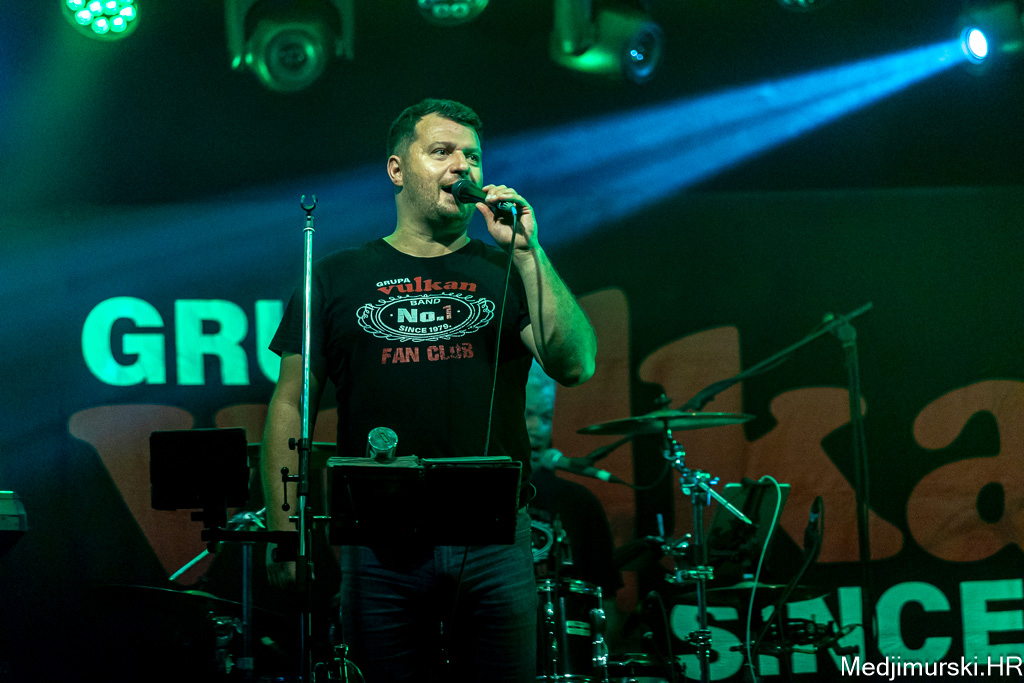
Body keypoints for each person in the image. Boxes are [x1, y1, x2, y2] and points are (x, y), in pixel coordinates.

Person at [259, 98, 597, 682]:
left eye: (473, 157)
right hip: (379, 540)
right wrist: (284, 529)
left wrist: (528, 253)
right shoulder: (337, 276)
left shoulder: (505, 269)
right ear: (397, 169)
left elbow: (575, 365)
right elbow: (291, 403)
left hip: (494, 538)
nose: (462, 166)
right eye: (441, 151)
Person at [525, 362, 624, 647]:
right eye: (528, 414)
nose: (538, 429)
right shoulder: (482, 499)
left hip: (571, 647)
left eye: (546, 417)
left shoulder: (579, 501)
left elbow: (606, 601)